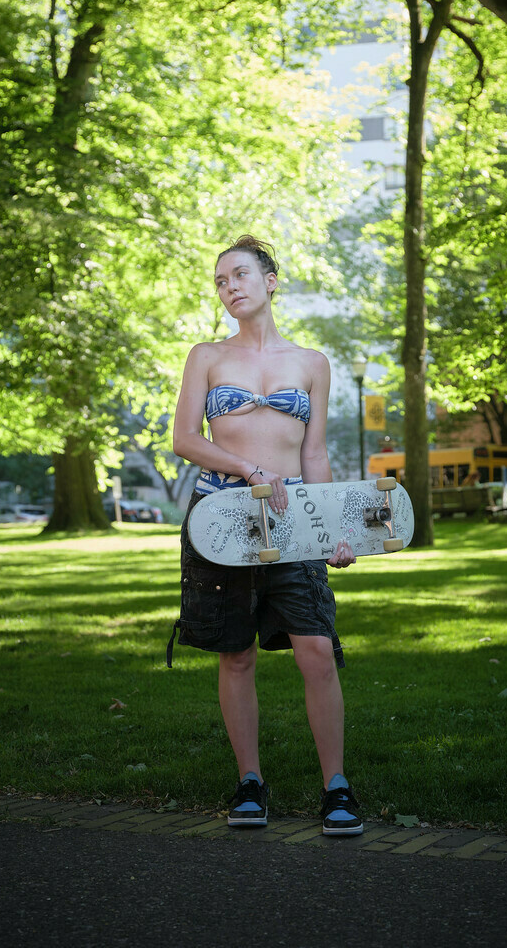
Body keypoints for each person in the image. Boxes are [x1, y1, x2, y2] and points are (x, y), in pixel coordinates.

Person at [168, 234, 363, 836]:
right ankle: (250, 781)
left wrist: (331, 528)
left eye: (240, 275)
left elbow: (315, 453)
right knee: (237, 655)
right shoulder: (206, 356)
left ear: (271, 280)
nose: (230, 288)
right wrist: (246, 468)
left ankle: (336, 787)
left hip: (293, 516)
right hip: (221, 515)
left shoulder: (311, 364)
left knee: (316, 651)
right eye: (221, 281)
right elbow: (184, 438)